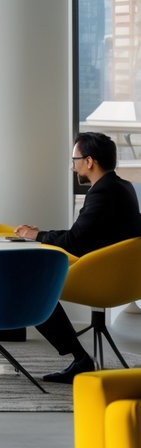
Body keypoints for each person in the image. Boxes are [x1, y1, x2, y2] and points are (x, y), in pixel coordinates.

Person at [13, 131, 141, 384]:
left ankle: (80, 358)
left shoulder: (103, 192)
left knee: (35, 289)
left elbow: (75, 241)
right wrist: (40, 235)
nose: (73, 167)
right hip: (123, 276)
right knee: (36, 275)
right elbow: (84, 236)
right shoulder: (122, 187)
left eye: (75, 159)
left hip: (103, 279)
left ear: (89, 161)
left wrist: (36, 235)